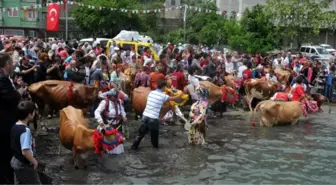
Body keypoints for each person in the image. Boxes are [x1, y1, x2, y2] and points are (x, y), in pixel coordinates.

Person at [131, 79, 183, 150]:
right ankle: (155, 152)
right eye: (165, 87)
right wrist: (180, 94)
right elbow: (174, 98)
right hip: (153, 119)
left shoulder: (151, 93)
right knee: (154, 138)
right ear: (163, 87)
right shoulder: (162, 96)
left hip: (145, 116)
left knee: (140, 134)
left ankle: (133, 147)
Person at [0, 53, 21, 185]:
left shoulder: (5, 78)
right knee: (6, 155)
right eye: (11, 62)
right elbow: (10, 97)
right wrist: (19, 92)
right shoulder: (2, 79)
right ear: (7, 64)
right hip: (4, 124)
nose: (13, 65)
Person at [10, 101, 41, 185]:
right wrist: (34, 161)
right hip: (24, 164)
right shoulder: (25, 130)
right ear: (29, 114)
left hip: (15, 160)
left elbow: (18, 142)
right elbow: (25, 151)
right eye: (34, 112)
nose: (34, 113)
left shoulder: (15, 125)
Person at [94, 88, 127, 154]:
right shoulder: (104, 102)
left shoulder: (119, 101)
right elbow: (97, 112)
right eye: (115, 96)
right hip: (107, 126)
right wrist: (100, 121)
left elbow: (122, 110)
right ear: (111, 96)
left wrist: (124, 116)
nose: (116, 97)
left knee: (118, 143)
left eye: (117, 96)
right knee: (107, 144)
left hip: (118, 126)